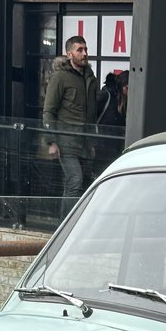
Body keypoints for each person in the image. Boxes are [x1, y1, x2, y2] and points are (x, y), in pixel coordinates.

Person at [42, 36, 99, 212]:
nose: (84, 53)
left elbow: (92, 114)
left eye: (85, 49)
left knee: (78, 184)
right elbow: (49, 110)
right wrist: (51, 142)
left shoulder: (90, 78)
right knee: (75, 180)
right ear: (69, 54)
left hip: (84, 141)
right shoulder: (60, 77)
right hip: (66, 141)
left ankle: (66, 223)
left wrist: (91, 142)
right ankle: (70, 225)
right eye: (79, 50)